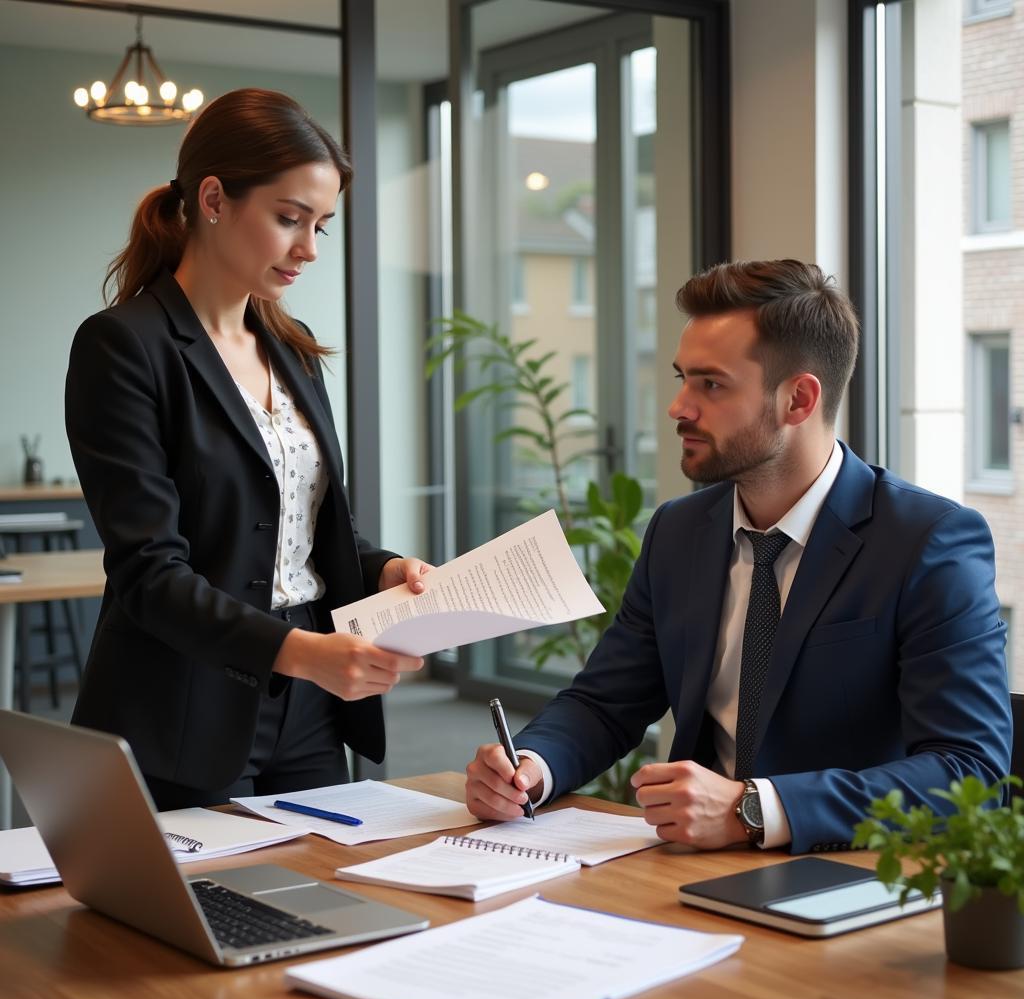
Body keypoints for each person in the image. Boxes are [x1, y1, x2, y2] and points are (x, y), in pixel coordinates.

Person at [465, 259, 1012, 854]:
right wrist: (530, 767)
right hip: (685, 873)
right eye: (682, 379)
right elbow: (606, 703)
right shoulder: (679, 531)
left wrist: (755, 808)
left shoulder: (927, 542)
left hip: (844, 878)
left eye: (711, 385)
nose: (678, 407)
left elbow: (970, 772)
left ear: (799, 399)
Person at [66, 88, 427, 811]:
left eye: (322, 225)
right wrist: (304, 654)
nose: (310, 249)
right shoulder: (124, 346)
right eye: (290, 219)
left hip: (310, 702)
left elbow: (299, 530)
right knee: (206, 918)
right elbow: (148, 574)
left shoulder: (293, 352)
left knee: (327, 905)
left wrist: (384, 567)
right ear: (213, 199)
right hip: (186, 702)